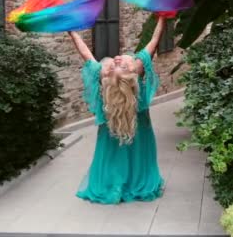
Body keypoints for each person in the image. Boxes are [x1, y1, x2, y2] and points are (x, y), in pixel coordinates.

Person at [68, 15, 167, 204]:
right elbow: (154, 41)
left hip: (110, 132)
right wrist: (162, 18)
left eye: (115, 64)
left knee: (113, 158)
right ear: (134, 72)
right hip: (140, 131)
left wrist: (71, 31)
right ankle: (136, 183)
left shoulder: (104, 80)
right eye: (120, 64)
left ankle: (114, 184)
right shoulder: (137, 75)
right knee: (138, 157)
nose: (117, 59)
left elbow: (85, 53)